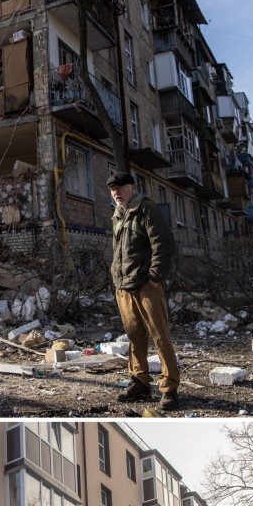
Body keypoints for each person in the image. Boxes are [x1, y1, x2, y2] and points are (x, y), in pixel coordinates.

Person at [107, 171, 180, 410]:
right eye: (112, 189)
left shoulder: (146, 209)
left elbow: (164, 243)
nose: (116, 192)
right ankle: (140, 382)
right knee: (134, 336)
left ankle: (169, 388)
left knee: (159, 335)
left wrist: (155, 277)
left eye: (120, 187)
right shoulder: (117, 214)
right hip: (124, 286)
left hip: (145, 285)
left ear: (132, 187)